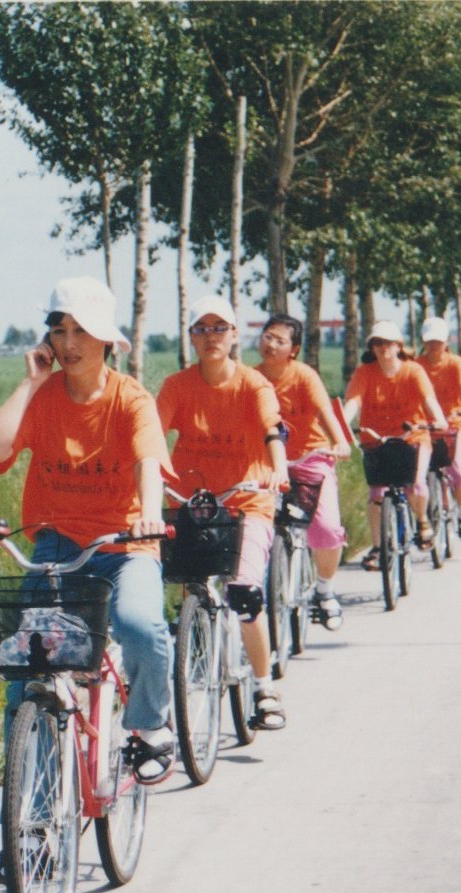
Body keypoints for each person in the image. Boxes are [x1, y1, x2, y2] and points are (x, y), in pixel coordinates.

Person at [0, 277, 175, 879]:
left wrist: (148, 513)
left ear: (107, 340)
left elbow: (147, 464)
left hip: (122, 542)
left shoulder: (131, 398)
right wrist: (30, 380)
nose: (67, 342)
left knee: (140, 625)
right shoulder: (44, 396)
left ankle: (147, 725)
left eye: (80, 331)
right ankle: (25, 833)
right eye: (58, 330)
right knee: (25, 681)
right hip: (56, 545)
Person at [157, 294, 290, 731]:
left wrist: (278, 468)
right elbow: (152, 438)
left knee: (244, 592)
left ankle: (263, 687)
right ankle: (192, 666)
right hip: (191, 503)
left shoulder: (254, 384)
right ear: (192, 337)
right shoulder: (177, 386)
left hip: (245, 501)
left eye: (220, 328)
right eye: (202, 328)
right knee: (188, 586)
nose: (211, 336)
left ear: (234, 335)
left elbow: (273, 429)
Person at [253, 314, 351, 629]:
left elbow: (325, 413)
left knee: (325, 529)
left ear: (293, 349)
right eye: (267, 336)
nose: (270, 344)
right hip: (267, 462)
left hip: (311, 457)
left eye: (279, 340)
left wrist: (339, 442)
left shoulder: (304, 376)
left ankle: (324, 590)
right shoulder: (251, 378)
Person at [341, 320, 448, 570]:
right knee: (377, 495)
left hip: (412, 439)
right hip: (375, 439)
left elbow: (428, 399)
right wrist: (342, 427)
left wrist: (439, 419)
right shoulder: (364, 373)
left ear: (398, 345)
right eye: (377, 343)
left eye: (388, 342)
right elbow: (353, 403)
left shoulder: (413, 371)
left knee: (416, 486)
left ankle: (422, 521)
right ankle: (378, 548)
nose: (383, 348)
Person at [415, 316, 461, 543]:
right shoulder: (417, 365)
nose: (433, 346)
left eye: (438, 341)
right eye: (429, 341)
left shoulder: (456, 363)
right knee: (417, 475)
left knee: (459, 469)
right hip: (425, 426)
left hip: (455, 424)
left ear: (447, 341)